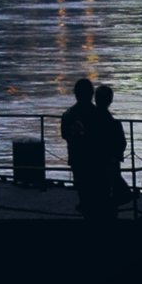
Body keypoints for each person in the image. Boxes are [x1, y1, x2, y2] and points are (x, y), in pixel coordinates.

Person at [59, 78, 96, 215]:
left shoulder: (69, 114)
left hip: (77, 156)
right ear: (91, 94)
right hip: (95, 158)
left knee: (81, 185)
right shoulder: (97, 114)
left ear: (76, 94)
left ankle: (84, 205)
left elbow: (64, 134)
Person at [90, 84, 127, 218]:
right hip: (110, 164)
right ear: (110, 101)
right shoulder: (114, 124)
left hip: (91, 164)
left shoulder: (89, 121)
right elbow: (122, 144)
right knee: (110, 195)